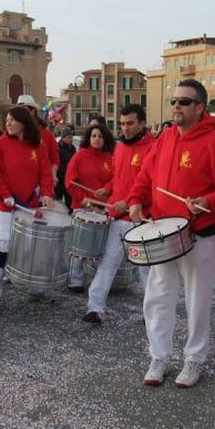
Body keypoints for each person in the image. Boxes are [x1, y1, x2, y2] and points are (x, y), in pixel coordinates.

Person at [128, 79, 215, 389]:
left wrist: (208, 202)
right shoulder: (164, 138)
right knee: (158, 297)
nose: (176, 106)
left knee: (197, 299)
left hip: (199, 232)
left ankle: (194, 360)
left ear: (200, 107)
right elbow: (145, 175)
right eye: (174, 101)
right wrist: (137, 200)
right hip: (163, 231)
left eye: (184, 102)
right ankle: (159, 356)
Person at [83, 104, 155, 324]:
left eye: (130, 123)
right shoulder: (121, 147)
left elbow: (156, 184)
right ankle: (94, 308)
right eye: (122, 124)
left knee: (146, 270)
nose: (125, 128)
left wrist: (135, 202)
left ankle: (152, 313)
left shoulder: (154, 147)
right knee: (107, 263)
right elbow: (119, 177)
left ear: (142, 123)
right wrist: (107, 189)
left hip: (140, 219)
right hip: (117, 217)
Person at [0, 107, 54, 315]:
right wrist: (4, 194)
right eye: (7, 120)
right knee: (5, 247)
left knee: (34, 248)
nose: (8, 123)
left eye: (13, 120)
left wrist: (47, 193)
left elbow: (45, 172)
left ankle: (37, 288)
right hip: (7, 206)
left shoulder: (36, 145)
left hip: (30, 206)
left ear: (24, 123)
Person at [64, 121, 115, 292]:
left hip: (102, 207)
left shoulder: (110, 158)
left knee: (101, 246)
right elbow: (70, 182)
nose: (97, 139)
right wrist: (83, 199)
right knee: (80, 246)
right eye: (94, 136)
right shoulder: (80, 156)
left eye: (100, 136)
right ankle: (75, 279)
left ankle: (97, 279)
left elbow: (115, 179)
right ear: (89, 138)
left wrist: (107, 188)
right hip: (82, 206)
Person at [17, 95, 60, 187]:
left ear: (32, 112)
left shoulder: (46, 134)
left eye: (24, 111)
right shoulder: (15, 134)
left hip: (42, 183)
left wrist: (53, 174)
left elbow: (54, 158)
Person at [56, 127, 77, 212]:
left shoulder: (72, 148)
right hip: (59, 180)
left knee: (70, 202)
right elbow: (55, 164)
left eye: (72, 137)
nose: (71, 139)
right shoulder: (57, 148)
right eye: (69, 137)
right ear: (63, 138)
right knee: (57, 202)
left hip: (69, 180)